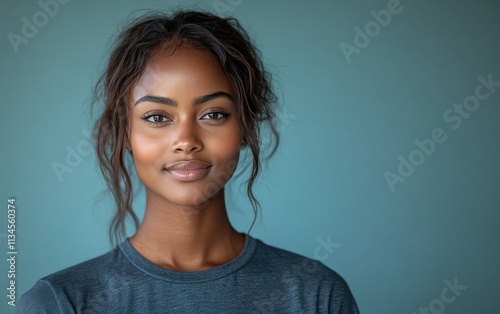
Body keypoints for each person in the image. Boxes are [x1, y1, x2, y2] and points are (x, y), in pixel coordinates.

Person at [16, 10, 359, 313]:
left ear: (245, 127)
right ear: (125, 133)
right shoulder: (60, 303)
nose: (186, 142)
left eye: (213, 114)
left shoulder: (317, 295)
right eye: (156, 117)